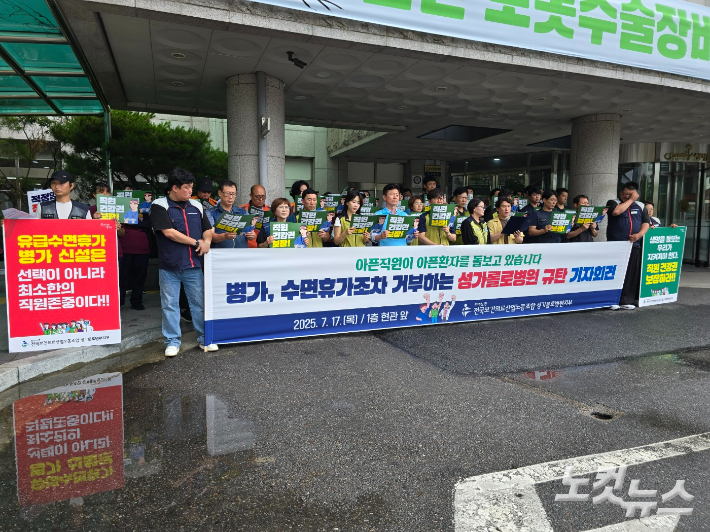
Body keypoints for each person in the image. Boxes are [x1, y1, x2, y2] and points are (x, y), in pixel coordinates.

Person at [151, 168, 218, 356]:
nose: (190, 191)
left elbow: (207, 229)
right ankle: (172, 342)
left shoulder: (196, 206)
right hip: (169, 266)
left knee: (198, 303)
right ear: (175, 187)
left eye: (191, 187)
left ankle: (204, 338)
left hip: (193, 265)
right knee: (170, 305)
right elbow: (169, 233)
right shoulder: (159, 205)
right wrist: (197, 242)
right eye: (187, 187)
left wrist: (207, 242)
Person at [607, 181, 651, 310]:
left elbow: (646, 223)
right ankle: (612, 299)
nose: (627, 196)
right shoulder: (613, 202)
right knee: (615, 272)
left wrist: (639, 235)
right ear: (621, 192)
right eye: (625, 194)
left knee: (630, 273)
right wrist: (630, 200)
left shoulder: (641, 206)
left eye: (630, 194)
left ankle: (626, 300)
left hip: (633, 244)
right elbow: (616, 212)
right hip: (617, 244)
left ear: (636, 193)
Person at [207, 180, 256, 249]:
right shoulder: (211, 213)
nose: (230, 197)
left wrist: (252, 235)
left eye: (233, 194)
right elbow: (210, 236)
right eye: (228, 193)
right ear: (219, 193)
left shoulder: (243, 212)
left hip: (241, 253)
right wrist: (224, 236)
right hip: (221, 253)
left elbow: (251, 232)